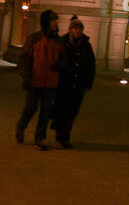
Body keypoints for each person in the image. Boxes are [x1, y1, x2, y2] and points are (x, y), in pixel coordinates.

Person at [16, 9, 65, 148]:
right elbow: (24, 58)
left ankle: (40, 138)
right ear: (46, 22)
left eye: (56, 20)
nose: (56, 22)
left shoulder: (58, 41)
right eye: (53, 20)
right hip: (35, 80)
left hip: (51, 82)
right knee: (31, 108)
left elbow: (65, 59)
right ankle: (21, 126)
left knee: (46, 111)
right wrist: (26, 76)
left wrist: (59, 65)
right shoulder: (34, 38)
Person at [54, 17, 95, 148]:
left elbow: (91, 65)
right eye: (76, 28)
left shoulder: (86, 45)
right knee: (62, 109)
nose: (78, 31)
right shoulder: (62, 42)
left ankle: (64, 133)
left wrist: (88, 82)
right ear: (70, 29)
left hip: (79, 84)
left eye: (80, 28)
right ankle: (62, 136)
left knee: (73, 111)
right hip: (64, 83)